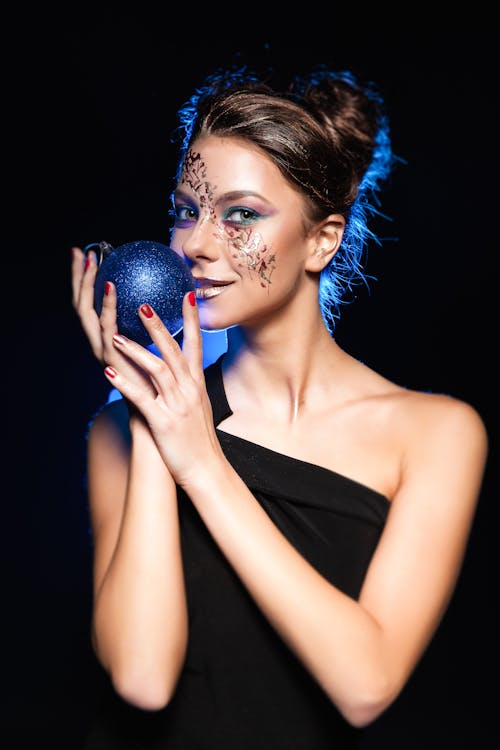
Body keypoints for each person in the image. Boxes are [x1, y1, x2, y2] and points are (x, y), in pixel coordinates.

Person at [70, 64, 488, 749]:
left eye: (241, 215)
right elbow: (142, 680)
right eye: (186, 210)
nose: (197, 244)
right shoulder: (121, 430)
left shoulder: (436, 435)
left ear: (322, 239)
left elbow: (365, 686)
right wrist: (150, 415)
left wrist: (202, 462)